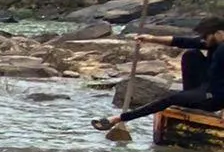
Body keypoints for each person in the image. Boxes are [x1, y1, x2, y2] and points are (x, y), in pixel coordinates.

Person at [92, 16, 224, 130]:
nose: (203, 39)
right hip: (208, 87)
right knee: (191, 54)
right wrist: (151, 38)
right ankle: (189, 97)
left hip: (214, 97)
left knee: (170, 99)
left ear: (219, 33)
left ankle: (118, 118)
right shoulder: (214, 43)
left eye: (205, 36)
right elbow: (181, 41)